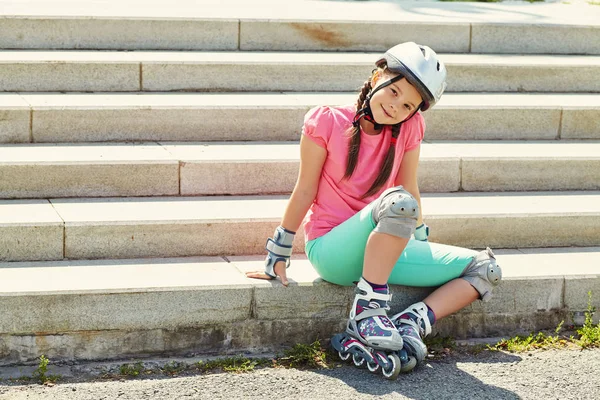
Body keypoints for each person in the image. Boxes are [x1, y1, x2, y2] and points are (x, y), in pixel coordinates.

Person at [246, 42, 502, 379]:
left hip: (386, 242)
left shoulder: (410, 129)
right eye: (394, 92)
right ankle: (368, 312)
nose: (396, 106)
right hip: (332, 250)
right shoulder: (326, 120)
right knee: (397, 203)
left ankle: (410, 323)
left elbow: (410, 184)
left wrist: (421, 239)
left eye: (408, 104)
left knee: (485, 270)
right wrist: (278, 250)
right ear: (377, 75)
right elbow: (305, 187)